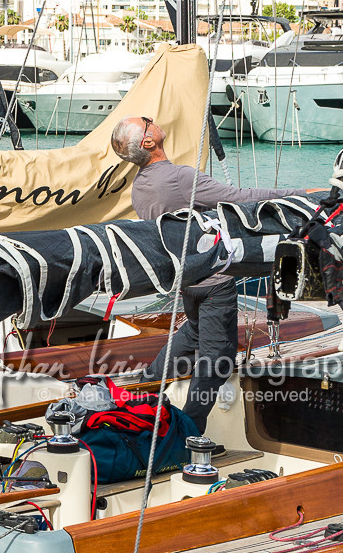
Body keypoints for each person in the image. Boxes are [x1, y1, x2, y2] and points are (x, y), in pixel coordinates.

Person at [110, 114, 282, 433]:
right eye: (147, 121)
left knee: (194, 332)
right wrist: (301, 195)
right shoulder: (180, 178)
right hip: (213, 281)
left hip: (186, 280)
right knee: (218, 359)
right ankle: (190, 431)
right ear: (148, 141)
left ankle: (146, 386)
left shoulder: (140, 187)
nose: (153, 120)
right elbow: (240, 198)